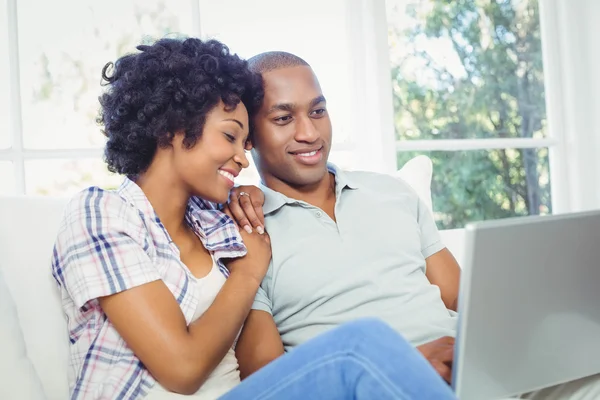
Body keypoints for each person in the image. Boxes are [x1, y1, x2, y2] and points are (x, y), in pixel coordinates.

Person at [50, 37, 457, 400]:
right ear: (173, 129)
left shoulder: (219, 220)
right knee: (361, 344)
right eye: (231, 138)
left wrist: (251, 195)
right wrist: (248, 271)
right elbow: (183, 369)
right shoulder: (103, 214)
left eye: (245, 142)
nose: (243, 158)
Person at [228, 51, 600, 399]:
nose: (310, 133)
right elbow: (270, 375)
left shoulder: (392, 192)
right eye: (283, 118)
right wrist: (402, 364)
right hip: (379, 386)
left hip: (469, 373)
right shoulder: (249, 232)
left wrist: (516, 330)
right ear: (248, 136)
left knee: (576, 341)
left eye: (318, 111)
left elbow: (461, 299)